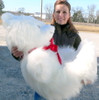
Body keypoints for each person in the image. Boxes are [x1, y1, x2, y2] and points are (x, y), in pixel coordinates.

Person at [11, 0, 91, 100]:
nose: (60, 15)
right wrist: (18, 54)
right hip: (43, 87)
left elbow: (80, 59)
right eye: (58, 12)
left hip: (63, 86)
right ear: (53, 14)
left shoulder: (74, 36)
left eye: (64, 12)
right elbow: (30, 51)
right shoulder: (43, 31)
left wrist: (85, 75)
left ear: (69, 15)